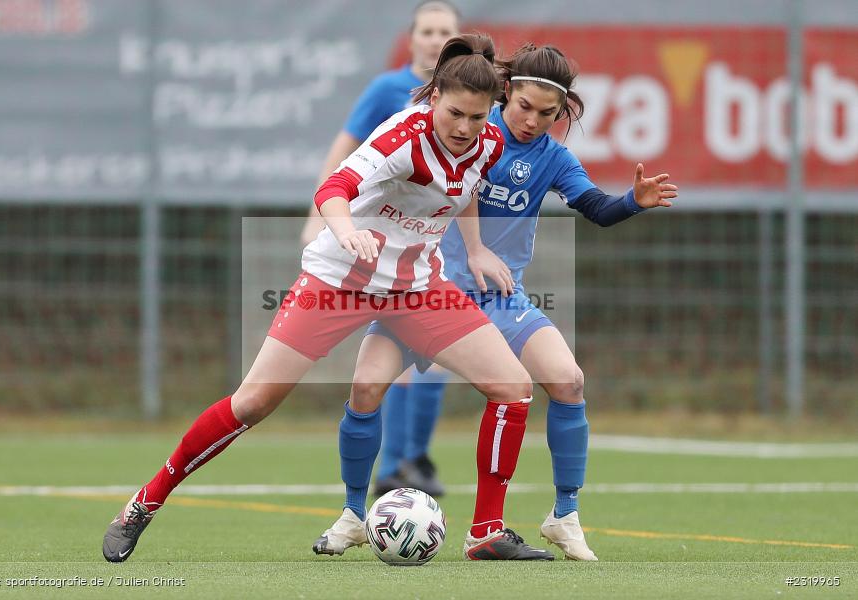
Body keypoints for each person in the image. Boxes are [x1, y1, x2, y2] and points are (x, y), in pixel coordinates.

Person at [103, 33, 553, 563]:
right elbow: (333, 188)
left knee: (513, 388)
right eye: (455, 113)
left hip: (416, 288)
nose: (465, 128)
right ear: (433, 98)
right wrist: (344, 232)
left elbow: (467, 188)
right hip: (339, 281)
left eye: (478, 118)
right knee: (253, 402)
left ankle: (486, 532)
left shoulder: (489, 145)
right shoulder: (401, 140)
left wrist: (473, 248)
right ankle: (144, 503)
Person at [315, 43, 679, 561]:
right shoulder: (471, 135)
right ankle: (354, 513)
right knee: (366, 387)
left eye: (547, 114)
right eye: (524, 106)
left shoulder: (553, 157)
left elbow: (595, 208)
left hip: (500, 299)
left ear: (562, 113)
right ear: (506, 93)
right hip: (425, 293)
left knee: (568, 380)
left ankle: (561, 515)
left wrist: (631, 203)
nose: (532, 121)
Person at [300, 0, 461, 498]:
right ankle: (392, 466)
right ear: (411, 39)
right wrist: (318, 219)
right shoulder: (388, 91)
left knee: (436, 362)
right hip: (381, 246)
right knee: (394, 359)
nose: (436, 40)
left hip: (438, 241)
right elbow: (343, 148)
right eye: (428, 31)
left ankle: (414, 456)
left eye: (445, 33)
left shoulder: (469, 104)